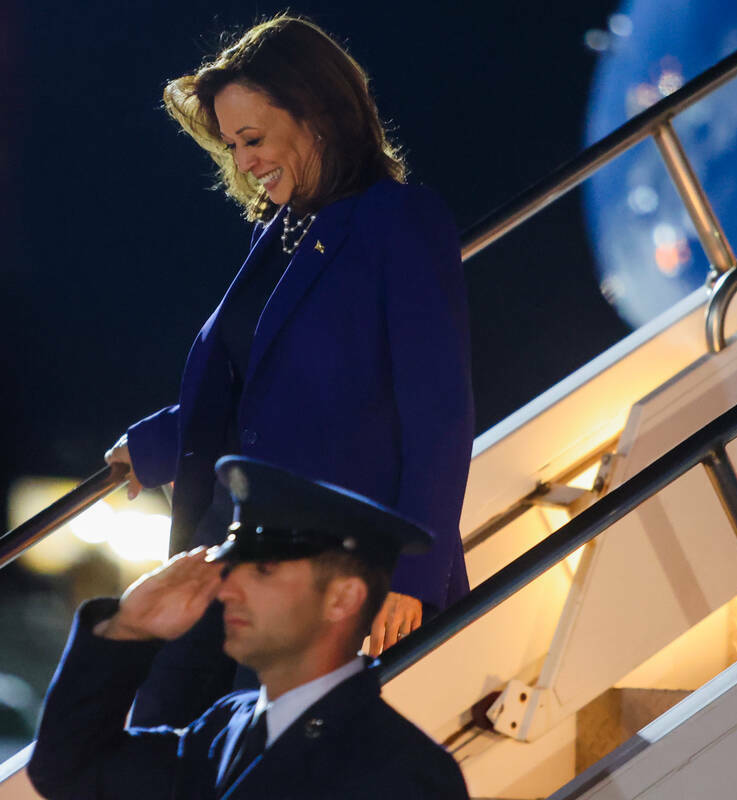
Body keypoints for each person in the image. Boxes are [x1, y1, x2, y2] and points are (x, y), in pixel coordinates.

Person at [105, 15, 474, 726]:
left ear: (320, 119)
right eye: (231, 145)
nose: (242, 162)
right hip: (233, 553)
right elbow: (266, 393)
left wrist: (411, 574)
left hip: (331, 578)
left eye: (253, 139)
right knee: (155, 732)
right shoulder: (276, 237)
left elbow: (440, 413)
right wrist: (155, 445)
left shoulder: (400, 221)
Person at [27, 456, 470, 799]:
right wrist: (126, 631)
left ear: (343, 598)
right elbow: (69, 769)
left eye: (263, 570)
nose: (228, 590)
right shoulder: (226, 727)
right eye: (232, 568)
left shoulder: (408, 776)